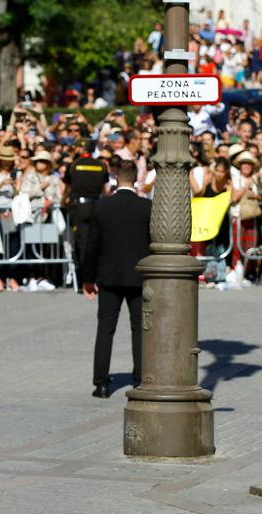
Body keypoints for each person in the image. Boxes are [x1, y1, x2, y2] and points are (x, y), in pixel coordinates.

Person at [83, 160, 150, 398]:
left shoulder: (102, 207)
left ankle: (101, 383)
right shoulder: (147, 207)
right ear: (136, 179)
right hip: (139, 276)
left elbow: (91, 246)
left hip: (108, 276)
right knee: (139, 329)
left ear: (115, 178)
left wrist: (88, 278)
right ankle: (140, 379)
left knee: (105, 329)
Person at [64, 138, 109, 285]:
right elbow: (105, 189)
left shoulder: (74, 165)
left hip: (80, 208)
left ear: (81, 149)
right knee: (98, 242)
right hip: (97, 206)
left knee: (83, 244)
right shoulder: (101, 165)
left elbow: (67, 187)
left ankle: (87, 279)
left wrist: (63, 200)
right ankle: (98, 276)